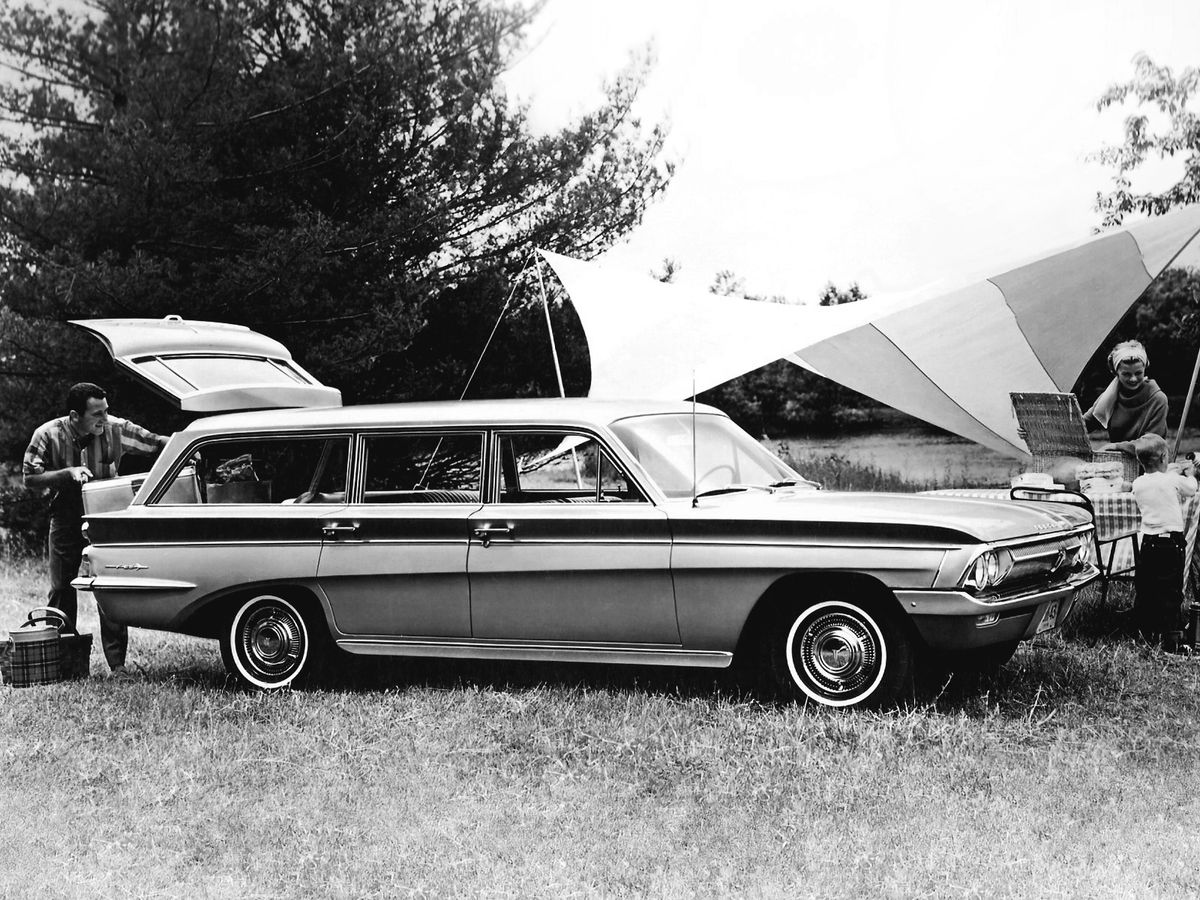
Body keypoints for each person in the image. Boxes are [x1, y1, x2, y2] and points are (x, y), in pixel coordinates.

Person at [23, 382, 169, 677]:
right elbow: (29, 477)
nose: (105, 418)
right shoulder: (47, 434)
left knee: (109, 584)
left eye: (106, 410)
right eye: (97, 413)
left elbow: (156, 442)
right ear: (75, 415)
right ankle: (62, 663)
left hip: (105, 515)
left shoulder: (117, 428)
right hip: (66, 514)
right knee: (62, 586)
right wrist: (67, 474)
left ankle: (118, 666)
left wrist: (189, 446)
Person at [1130, 434, 1196, 651]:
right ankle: (1172, 638)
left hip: (1147, 543)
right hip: (1170, 544)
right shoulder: (1172, 480)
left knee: (1147, 588)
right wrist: (1191, 473)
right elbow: (1191, 489)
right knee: (1170, 591)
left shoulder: (1138, 483)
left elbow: (1157, 483)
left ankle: (1144, 631)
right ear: (1163, 458)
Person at [1083, 339, 1168, 460]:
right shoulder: (1109, 397)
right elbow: (1084, 425)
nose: (1133, 379)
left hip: (1149, 466)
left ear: (1145, 369)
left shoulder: (1157, 399)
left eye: (1138, 373)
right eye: (1126, 374)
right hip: (1118, 464)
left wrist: (1116, 446)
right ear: (1116, 372)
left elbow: (1152, 443)